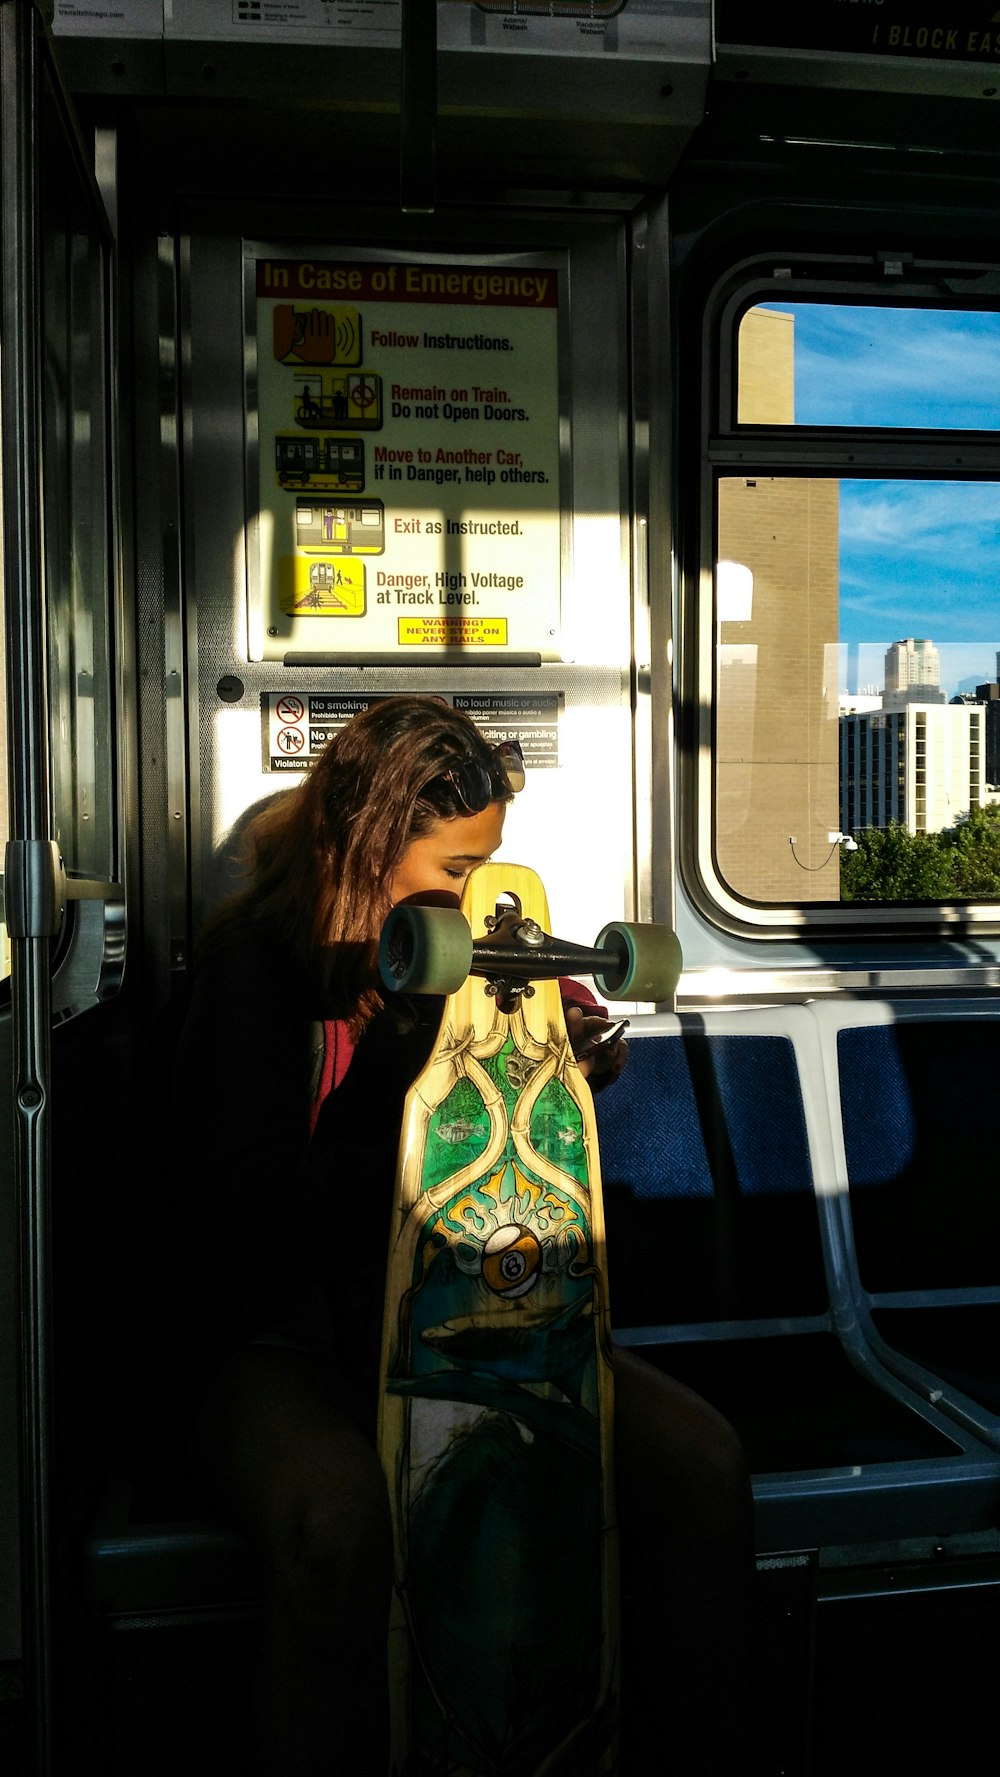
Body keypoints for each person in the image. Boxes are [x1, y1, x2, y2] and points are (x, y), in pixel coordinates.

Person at [165, 695, 755, 1775]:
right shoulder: (257, 977)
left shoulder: (489, 966)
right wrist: (403, 1064)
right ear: (363, 847)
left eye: (484, 867)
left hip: (475, 1324)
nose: (470, 899)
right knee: (337, 1526)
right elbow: (250, 1231)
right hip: (287, 1345)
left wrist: (566, 1059)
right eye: (448, 873)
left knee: (700, 1469)